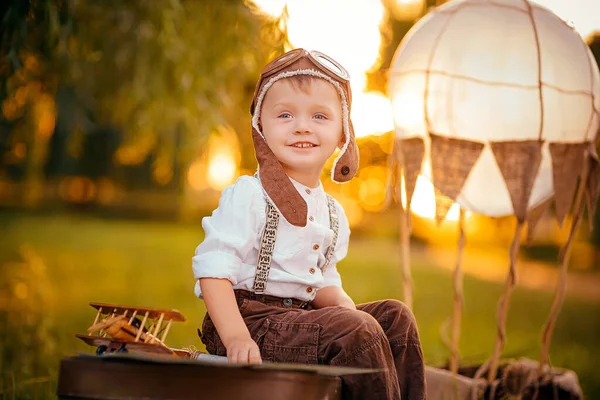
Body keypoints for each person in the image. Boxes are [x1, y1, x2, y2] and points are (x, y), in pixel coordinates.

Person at [192, 48, 426, 400]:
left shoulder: (332, 211)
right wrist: (236, 336)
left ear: (343, 134)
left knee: (395, 318)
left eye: (319, 116)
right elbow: (213, 271)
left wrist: (351, 311)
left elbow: (323, 284)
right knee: (357, 330)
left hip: (301, 320)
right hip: (251, 322)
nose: (302, 126)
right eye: (285, 114)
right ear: (261, 126)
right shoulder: (250, 195)